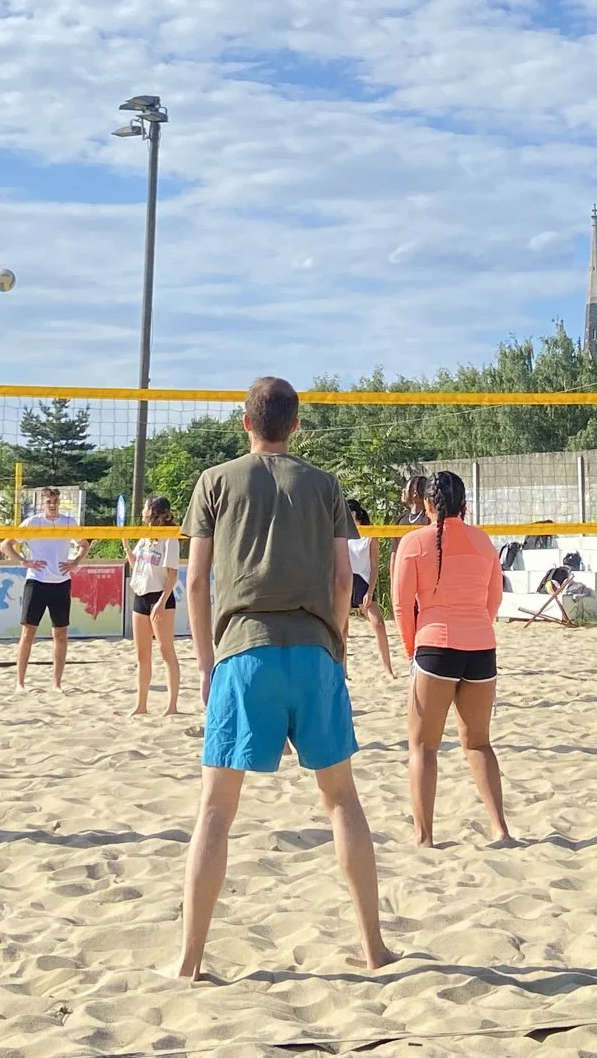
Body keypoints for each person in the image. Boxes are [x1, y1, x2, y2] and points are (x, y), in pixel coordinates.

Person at [174, 376, 391, 979]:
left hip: (244, 650)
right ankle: (375, 949)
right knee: (342, 800)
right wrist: (338, 650)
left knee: (215, 810)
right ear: (296, 426)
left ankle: (190, 961)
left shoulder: (214, 481)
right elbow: (345, 581)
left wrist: (204, 664)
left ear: (245, 421)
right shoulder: (324, 484)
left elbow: (195, 582)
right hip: (315, 648)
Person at [392, 472, 509, 847]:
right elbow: (494, 600)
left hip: (436, 648)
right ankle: (500, 829)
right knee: (478, 743)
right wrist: (476, 628)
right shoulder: (484, 542)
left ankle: (423, 836)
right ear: (464, 504)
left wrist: (413, 651)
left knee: (424, 747)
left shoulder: (414, 542)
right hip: (480, 648)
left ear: (426, 504)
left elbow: (401, 605)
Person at [3, 488, 92, 692]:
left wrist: (75, 562)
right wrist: (24, 562)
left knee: (60, 634)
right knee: (28, 633)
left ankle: (56, 684)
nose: (53, 504)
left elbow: (84, 544)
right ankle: (20, 683)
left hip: (61, 583)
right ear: (42, 503)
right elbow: (6, 545)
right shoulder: (32, 523)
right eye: (49, 501)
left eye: (55, 501)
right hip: (36, 582)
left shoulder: (68, 522)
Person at [125, 496, 184, 715]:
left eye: (145, 506)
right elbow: (138, 566)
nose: (142, 510)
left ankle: (172, 706)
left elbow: (173, 574)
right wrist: (126, 546)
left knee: (166, 650)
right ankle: (141, 705)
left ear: (154, 511)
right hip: (141, 595)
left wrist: (161, 602)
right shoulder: (146, 536)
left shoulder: (169, 538)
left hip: (161, 597)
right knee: (142, 655)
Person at [345, 500, 396, 678]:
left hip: (363, 581)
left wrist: (369, 590)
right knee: (342, 629)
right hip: (346, 579)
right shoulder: (342, 533)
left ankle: (387, 668)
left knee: (378, 624)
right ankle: (342, 670)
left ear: (356, 513)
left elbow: (374, 566)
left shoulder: (369, 535)